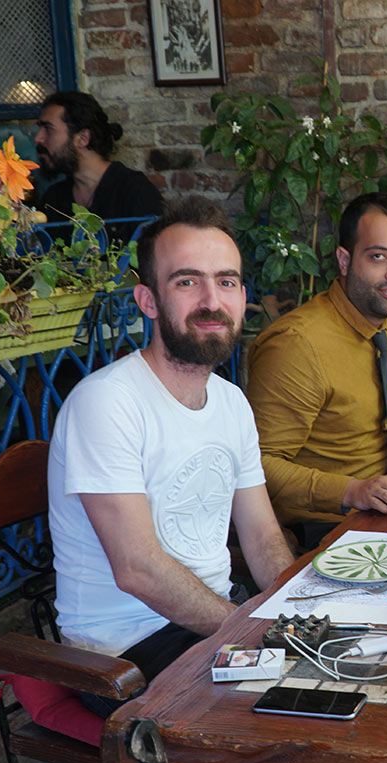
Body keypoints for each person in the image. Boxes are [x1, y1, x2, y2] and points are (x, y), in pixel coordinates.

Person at [49, 196, 293, 714]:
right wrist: (249, 630)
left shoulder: (230, 401)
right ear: (148, 300)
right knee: (299, 711)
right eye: (187, 282)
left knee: (351, 667)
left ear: (242, 296)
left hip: (210, 622)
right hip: (125, 655)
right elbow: (136, 569)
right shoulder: (108, 402)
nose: (211, 300)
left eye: (226, 281)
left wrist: (293, 613)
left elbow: (262, 535)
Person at [246, 192, 387, 545]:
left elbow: (354, 424)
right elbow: (258, 465)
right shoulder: (296, 345)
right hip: (325, 530)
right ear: (344, 260)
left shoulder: (379, 323)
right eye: (379, 256)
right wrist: (353, 491)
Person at [33, 91, 163, 236]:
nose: (38, 138)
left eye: (48, 129)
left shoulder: (135, 191)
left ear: (83, 138)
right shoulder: (53, 199)